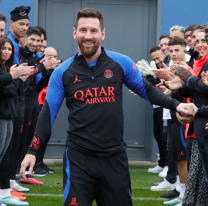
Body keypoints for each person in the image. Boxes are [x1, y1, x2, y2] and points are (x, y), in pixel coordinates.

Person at [20, 8, 196, 206]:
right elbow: (47, 114)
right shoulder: (63, 72)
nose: (88, 36)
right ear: (74, 33)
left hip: (114, 159)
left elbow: (148, 91)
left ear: (102, 33)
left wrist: (177, 105)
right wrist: (32, 151)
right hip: (79, 160)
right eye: (83, 30)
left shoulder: (119, 63)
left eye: (94, 31)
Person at [0, 37, 30, 206]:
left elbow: (10, 90)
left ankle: (4, 194)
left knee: (3, 156)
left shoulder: (7, 68)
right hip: (2, 116)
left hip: (8, 116)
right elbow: (7, 91)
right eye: (3, 48)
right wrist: (16, 77)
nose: (6, 51)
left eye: (9, 49)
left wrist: (17, 77)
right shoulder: (6, 71)